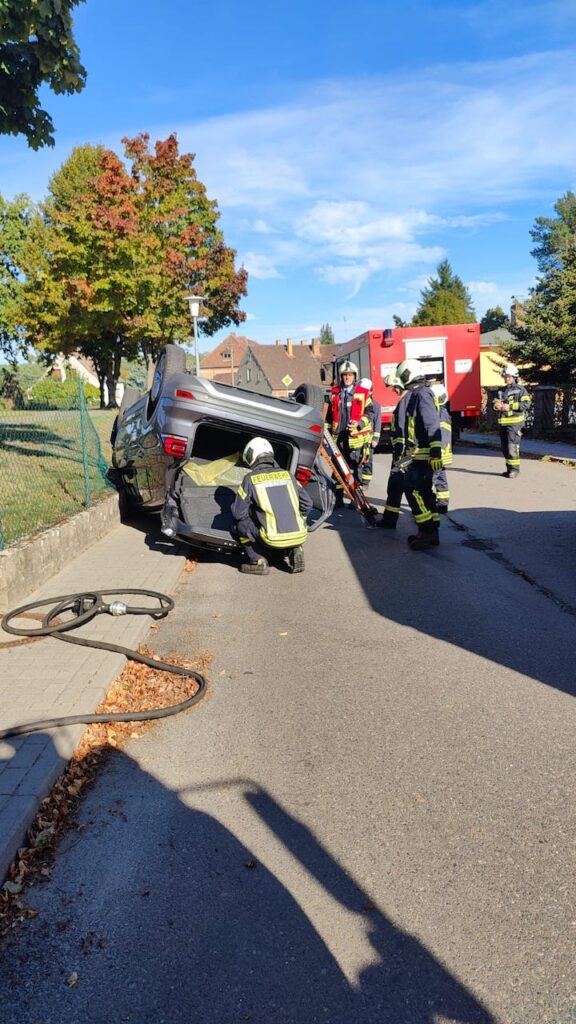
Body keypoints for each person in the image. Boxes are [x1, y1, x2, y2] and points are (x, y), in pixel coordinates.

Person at [231, 437, 312, 575]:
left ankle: (258, 561)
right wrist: (300, 519)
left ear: (251, 457)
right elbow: (308, 504)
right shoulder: (288, 475)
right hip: (300, 535)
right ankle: (295, 548)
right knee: (290, 519)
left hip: (271, 538)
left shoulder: (250, 479)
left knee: (240, 524)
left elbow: (238, 513)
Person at [396, 358, 443, 550]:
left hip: (423, 455)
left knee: (414, 491)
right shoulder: (418, 392)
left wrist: (435, 452)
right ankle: (430, 533)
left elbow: (432, 423)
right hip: (418, 454)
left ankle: (427, 531)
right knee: (425, 493)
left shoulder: (422, 393)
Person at [325, 361, 372, 506]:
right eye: (345, 375)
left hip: (355, 438)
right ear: (341, 376)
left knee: (354, 470)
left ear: (355, 376)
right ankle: (338, 500)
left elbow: (370, 413)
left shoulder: (363, 393)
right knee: (338, 469)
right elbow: (329, 416)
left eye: (350, 375)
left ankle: (355, 500)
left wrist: (359, 423)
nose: (347, 378)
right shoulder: (334, 393)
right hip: (338, 437)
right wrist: (326, 434)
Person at [378, 372, 410, 530]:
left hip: (403, 454)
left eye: (394, 387)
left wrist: (399, 454)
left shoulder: (404, 401)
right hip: (404, 453)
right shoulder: (406, 400)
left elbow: (402, 429)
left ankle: (389, 521)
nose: (393, 390)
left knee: (396, 485)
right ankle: (390, 519)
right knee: (398, 485)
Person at [493, 364, 531, 478]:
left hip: (515, 424)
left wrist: (510, 407)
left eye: (509, 376)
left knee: (512, 448)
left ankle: (515, 470)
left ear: (514, 377)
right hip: (503, 424)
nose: (506, 379)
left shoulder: (521, 390)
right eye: (505, 376)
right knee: (505, 449)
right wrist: (496, 405)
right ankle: (509, 469)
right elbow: (494, 402)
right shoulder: (501, 391)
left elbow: (526, 404)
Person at [430, 382, 452, 513]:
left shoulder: (438, 414)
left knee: (430, 479)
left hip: (439, 453)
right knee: (441, 477)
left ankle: (429, 508)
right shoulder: (443, 412)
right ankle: (443, 504)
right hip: (443, 452)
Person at [358, 377, 381, 489]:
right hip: (358, 438)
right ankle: (357, 481)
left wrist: (375, 439)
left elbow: (377, 422)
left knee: (367, 460)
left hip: (369, 438)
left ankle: (365, 482)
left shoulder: (375, 405)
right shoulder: (357, 402)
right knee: (357, 460)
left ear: (371, 392)